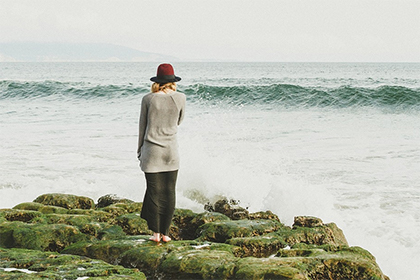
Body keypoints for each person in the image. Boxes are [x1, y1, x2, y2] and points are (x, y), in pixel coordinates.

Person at [137, 63, 186, 242]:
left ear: (157, 81)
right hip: (171, 151)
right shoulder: (181, 98)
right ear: (173, 81)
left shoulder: (148, 99)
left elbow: (142, 127)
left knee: (154, 192)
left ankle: (155, 234)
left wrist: (139, 151)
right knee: (169, 192)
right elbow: (179, 121)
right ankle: (166, 234)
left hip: (152, 151)